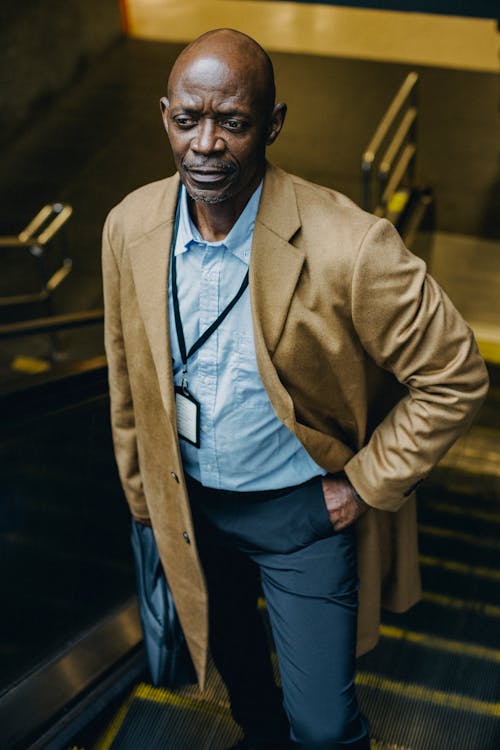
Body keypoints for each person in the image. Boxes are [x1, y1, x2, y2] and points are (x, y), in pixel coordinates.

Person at [102, 28, 489, 750]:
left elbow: (456, 375)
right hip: (188, 505)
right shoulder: (129, 226)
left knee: (322, 724)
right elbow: (127, 375)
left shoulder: (352, 245)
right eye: (188, 121)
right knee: (240, 668)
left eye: (234, 122)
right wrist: (142, 501)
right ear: (165, 117)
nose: (207, 143)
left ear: (273, 124)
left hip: (299, 515)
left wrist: (362, 483)